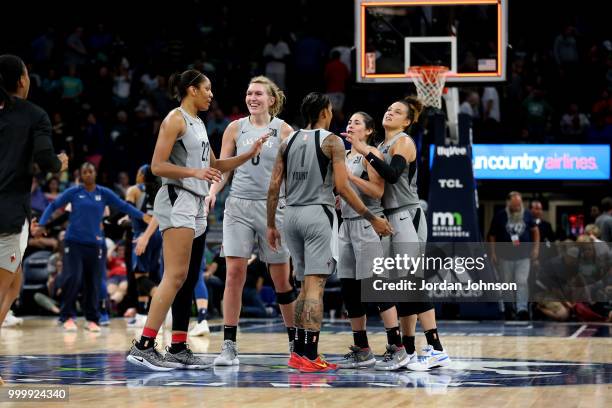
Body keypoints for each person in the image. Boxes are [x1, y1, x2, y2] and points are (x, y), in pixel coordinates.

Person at [126, 69, 268, 371]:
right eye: (207, 89)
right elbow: (157, 165)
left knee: (190, 278)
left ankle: (177, 346)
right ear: (192, 90)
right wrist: (194, 173)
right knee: (174, 276)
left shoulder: (199, 123)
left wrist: (248, 153)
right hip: (178, 197)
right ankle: (143, 345)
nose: (211, 94)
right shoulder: (174, 119)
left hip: (196, 202)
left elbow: (216, 164)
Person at [267, 92, 393, 372]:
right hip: (316, 215)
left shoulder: (287, 141)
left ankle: (298, 351)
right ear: (325, 112)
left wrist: (271, 224)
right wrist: (371, 217)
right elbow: (344, 187)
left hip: (290, 216)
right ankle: (310, 355)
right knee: (315, 286)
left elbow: (274, 185)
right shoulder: (331, 141)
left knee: (303, 286)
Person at [347, 96, 451, 371]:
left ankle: (436, 348)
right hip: (388, 217)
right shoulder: (381, 145)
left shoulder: (403, 141)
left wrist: (363, 150)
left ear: (407, 121)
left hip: (406, 214)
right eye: (388, 108)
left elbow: (392, 175)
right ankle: (409, 350)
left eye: (397, 111)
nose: (390, 112)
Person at [207, 76, 296, 366]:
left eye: (258, 93)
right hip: (238, 207)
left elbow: (294, 173)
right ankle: (229, 345)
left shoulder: (284, 130)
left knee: (281, 280)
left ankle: (295, 342)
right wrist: (211, 192)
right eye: (249, 93)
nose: (252, 97)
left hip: (273, 208)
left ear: (271, 99)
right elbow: (224, 169)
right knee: (234, 274)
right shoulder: (235, 127)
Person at [35, 162, 149, 332]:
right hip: (73, 243)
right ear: (81, 175)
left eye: (90, 171)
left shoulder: (103, 193)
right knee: (72, 279)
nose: (88, 174)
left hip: (95, 245)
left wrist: (143, 216)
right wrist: (42, 224)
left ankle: (93, 319)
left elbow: (124, 206)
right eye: (85, 172)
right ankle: (67, 317)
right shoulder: (74, 192)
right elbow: (53, 205)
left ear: (95, 174)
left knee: (93, 283)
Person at [0, 54, 68, 335]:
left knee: (14, 285)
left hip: (15, 212)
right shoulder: (33, 114)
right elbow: (44, 156)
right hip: (7, 213)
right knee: (4, 286)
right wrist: (58, 162)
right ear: (21, 80)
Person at [334, 112, 400, 369]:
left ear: (369, 131)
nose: (350, 125)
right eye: (349, 122)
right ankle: (362, 348)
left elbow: (377, 191)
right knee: (350, 289)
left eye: (357, 122)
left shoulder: (371, 154)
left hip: (368, 223)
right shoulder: (345, 156)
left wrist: (348, 178)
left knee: (377, 286)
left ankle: (397, 347)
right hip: (346, 225)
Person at [488, 191, 540, 320]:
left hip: (524, 256)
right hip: (505, 256)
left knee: (521, 282)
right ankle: (509, 308)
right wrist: (493, 252)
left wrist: (536, 248)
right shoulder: (500, 215)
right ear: (508, 203)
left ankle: (522, 309)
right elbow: (492, 235)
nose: (518, 207)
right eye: (515, 204)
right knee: (507, 283)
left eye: (519, 204)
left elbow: (535, 231)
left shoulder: (527, 214)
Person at [124, 165, 163, 328]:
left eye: (138, 172)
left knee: (140, 276)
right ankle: (141, 314)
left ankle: (161, 301)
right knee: (148, 274)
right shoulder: (160, 189)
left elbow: (129, 210)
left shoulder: (134, 190)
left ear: (142, 175)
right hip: (158, 233)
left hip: (142, 234)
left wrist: (118, 220)